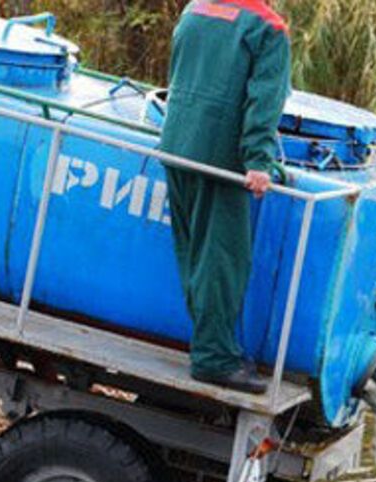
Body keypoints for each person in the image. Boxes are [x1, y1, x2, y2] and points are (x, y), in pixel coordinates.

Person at [159, 0, 291, 393]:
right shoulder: (268, 28)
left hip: (177, 144)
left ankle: (215, 347)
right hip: (220, 159)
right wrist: (259, 161)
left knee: (194, 254)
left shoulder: (194, 10)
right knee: (223, 259)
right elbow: (264, 100)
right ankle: (214, 358)